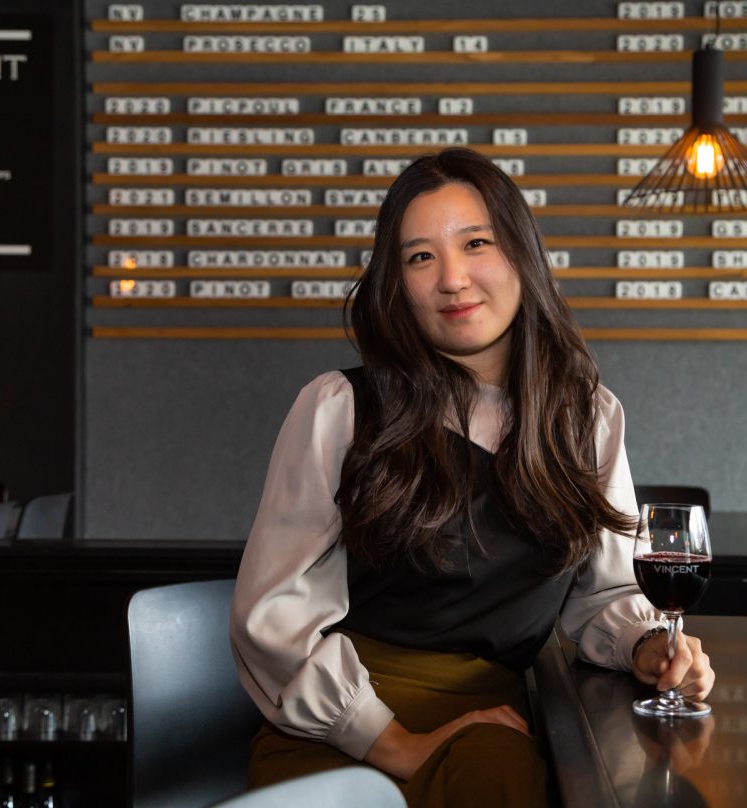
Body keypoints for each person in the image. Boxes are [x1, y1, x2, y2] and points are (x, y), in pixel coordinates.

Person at [230, 147, 715, 806]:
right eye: (420, 256)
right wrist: (396, 741)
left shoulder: (587, 418)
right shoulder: (340, 408)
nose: (452, 279)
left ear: (522, 255)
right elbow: (270, 621)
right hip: (338, 729)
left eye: (475, 243)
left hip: (494, 724)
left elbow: (602, 596)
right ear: (395, 283)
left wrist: (648, 648)